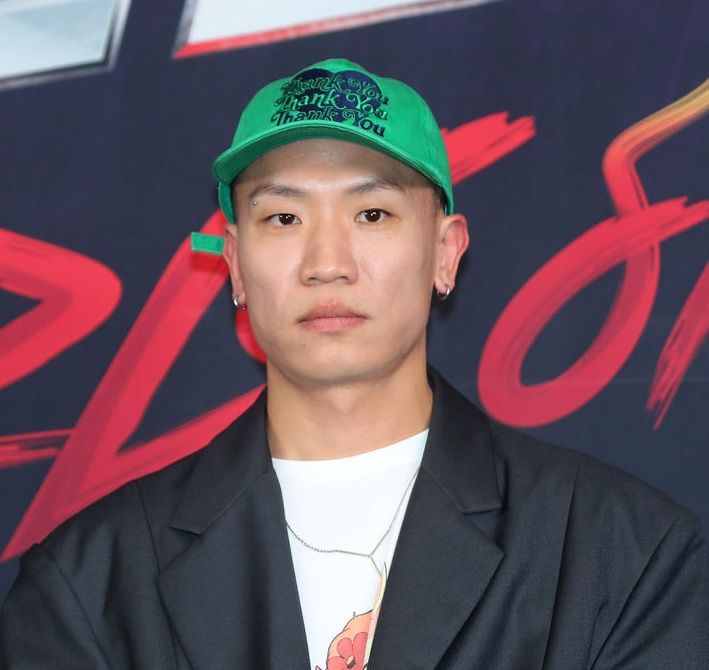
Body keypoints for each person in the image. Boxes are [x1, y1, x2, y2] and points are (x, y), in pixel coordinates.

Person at [1, 58, 707, 670]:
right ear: (235, 263)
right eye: (283, 218)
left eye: (372, 214)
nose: (327, 263)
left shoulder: (624, 553)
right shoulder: (89, 583)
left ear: (445, 252)